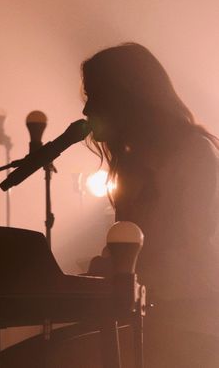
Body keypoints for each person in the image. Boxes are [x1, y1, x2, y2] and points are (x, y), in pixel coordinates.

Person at [81, 42, 219, 367]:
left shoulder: (193, 154)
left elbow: (196, 248)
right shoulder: (130, 164)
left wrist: (120, 273)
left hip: (191, 324)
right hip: (151, 321)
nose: (86, 111)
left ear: (125, 97)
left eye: (95, 96)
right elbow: (128, 247)